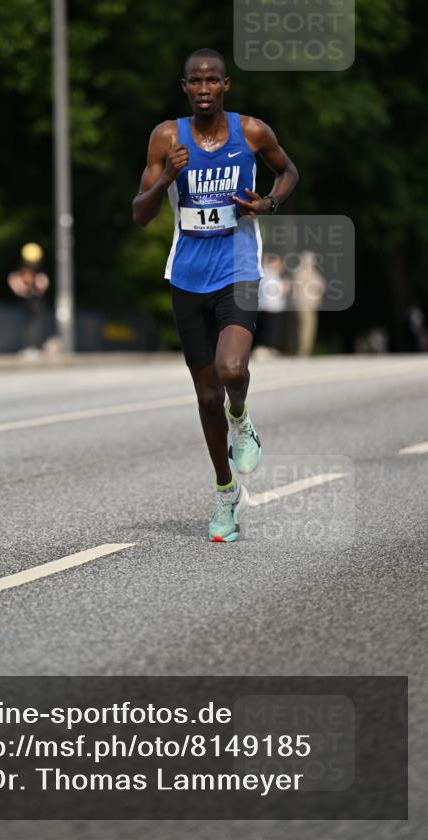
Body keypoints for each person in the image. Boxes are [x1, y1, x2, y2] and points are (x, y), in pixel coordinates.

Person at [132, 48, 299, 543]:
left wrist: (267, 203)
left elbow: (288, 172)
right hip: (186, 275)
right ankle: (226, 493)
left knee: (231, 371)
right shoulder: (167, 137)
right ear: (185, 88)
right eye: (195, 82)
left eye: (212, 81)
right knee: (205, 395)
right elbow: (140, 214)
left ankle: (241, 419)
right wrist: (166, 179)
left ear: (226, 85)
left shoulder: (252, 132)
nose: (204, 89)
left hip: (238, 268)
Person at [7, 243, 50, 356]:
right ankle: (31, 346)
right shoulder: (20, 269)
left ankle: (34, 346)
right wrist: (22, 289)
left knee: (36, 323)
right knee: (31, 324)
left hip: (36, 301)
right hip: (28, 301)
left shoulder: (39, 271)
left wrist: (36, 288)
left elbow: (43, 283)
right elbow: (14, 281)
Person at [255, 253, 290, 357]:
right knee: (270, 331)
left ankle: (267, 349)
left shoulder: (268, 273)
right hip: (270, 308)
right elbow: (272, 290)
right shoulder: (269, 274)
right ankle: (266, 349)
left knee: (268, 330)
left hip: (267, 307)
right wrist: (284, 287)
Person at [292, 250, 326, 356]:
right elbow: (320, 284)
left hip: (311, 305)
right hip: (304, 305)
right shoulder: (301, 273)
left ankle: (306, 349)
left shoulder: (310, 273)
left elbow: (322, 285)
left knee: (310, 327)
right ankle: (303, 349)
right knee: (305, 327)